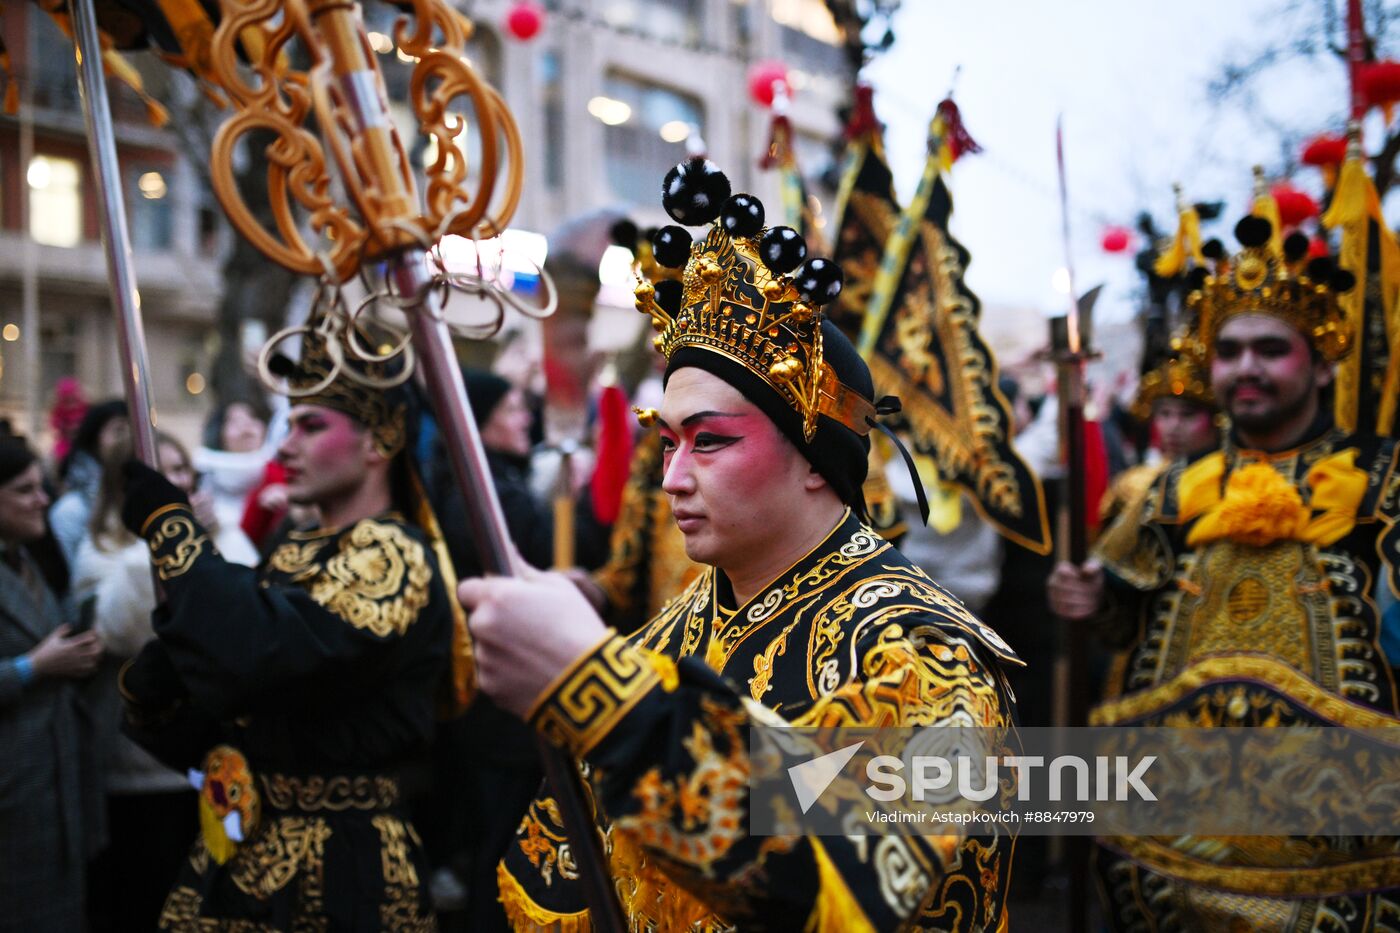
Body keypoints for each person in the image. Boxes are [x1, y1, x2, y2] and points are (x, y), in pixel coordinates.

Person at [465, 160, 1023, 931]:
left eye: (711, 441)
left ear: (815, 462)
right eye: (668, 443)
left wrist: (598, 687)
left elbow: (841, 876)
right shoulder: (667, 630)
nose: (672, 479)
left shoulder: (918, 653)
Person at [1047, 217, 1400, 928]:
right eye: (1230, 351)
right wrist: (1090, 596)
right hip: (1173, 846)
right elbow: (1121, 625)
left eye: (1272, 349)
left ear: (1321, 365)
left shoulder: (1382, 481)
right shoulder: (1169, 491)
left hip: (1339, 860)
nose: (1246, 368)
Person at [116, 330, 462, 930]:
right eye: (289, 425)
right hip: (248, 840)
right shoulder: (296, 547)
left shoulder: (393, 554)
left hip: (346, 863)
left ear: (380, 439)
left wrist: (173, 529)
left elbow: (273, 653)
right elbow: (234, 693)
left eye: (311, 426)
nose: (286, 446)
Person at [77, 432, 246, 932]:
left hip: (218, 758)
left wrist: (201, 543)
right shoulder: (102, 550)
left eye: (181, 470)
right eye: (163, 473)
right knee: (149, 895)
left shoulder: (216, 532)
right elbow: (124, 629)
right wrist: (168, 538)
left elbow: (245, 617)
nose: (178, 483)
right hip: (141, 765)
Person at [0, 433, 105, 932]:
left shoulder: (26, 560)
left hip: (54, 785)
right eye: (24, 490)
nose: (42, 500)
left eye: (41, 486)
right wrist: (33, 667)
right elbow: (36, 660)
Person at [50, 398, 129, 565]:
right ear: (94, 439)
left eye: (134, 430)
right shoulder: (71, 510)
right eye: (119, 431)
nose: (129, 440)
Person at [191, 397, 270, 565]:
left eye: (252, 417)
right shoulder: (198, 480)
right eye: (235, 421)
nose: (246, 425)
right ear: (218, 433)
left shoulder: (285, 473)